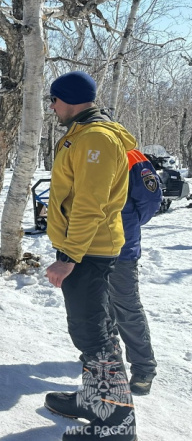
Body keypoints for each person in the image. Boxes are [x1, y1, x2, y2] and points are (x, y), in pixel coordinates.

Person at [41, 71, 138, 441]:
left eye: (54, 99)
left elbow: (89, 203)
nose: (52, 106)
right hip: (85, 246)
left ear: (69, 98)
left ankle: (116, 424)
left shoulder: (95, 137)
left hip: (87, 250)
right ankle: (96, 400)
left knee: (92, 334)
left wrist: (68, 256)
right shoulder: (83, 133)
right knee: (96, 328)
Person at [111, 149, 161, 395]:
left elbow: (150, 200)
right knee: (94, 307)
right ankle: (106, 359)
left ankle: (143, 368)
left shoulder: (131, 156)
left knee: (126, 307)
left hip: (120, 248)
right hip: (83, 246)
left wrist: (127, 222)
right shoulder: (77, 146)